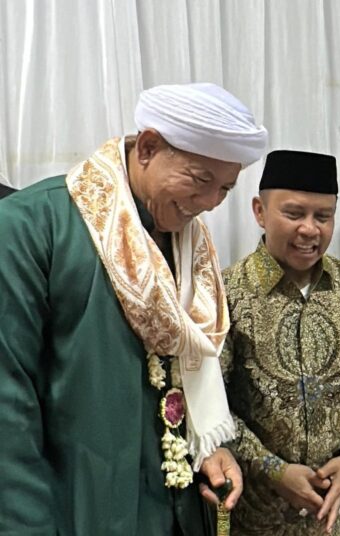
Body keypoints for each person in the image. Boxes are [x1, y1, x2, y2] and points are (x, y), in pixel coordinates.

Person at [0, 83, 268, 535]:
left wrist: (210, 447)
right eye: (200, 179)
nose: (209, 204)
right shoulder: (30, 227)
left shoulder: (190, 244)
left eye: (225, 188)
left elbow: (184, 374)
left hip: (181, 512)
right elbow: (8, 407)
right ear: (147, 147)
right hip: (79, 514)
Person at [221, 150, 340, 536]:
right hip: (259, 520)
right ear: (260, 211)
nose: (310, 230)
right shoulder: (225, 293)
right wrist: (272, 470)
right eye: (294, 214)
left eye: (323, 217)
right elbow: (210, 405)